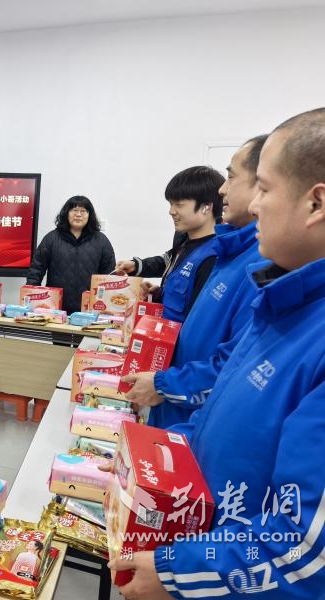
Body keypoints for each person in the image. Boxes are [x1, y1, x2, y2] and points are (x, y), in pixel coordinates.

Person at [111, 108, 325, 599]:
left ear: (315, 203)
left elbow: (307, 549)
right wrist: (145, 461)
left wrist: (176, 571)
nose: (242, 199)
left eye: (263, 188)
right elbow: (222, 418)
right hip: (207, 533)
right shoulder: (281, 302)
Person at [123, 136, 268, 428]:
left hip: (189, 403)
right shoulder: (223, 250)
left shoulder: (250, 262)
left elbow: (234, 364)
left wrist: (165, 385)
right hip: (173, 387)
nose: (223, 189)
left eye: (231, 177)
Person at [116, 166, 224, 322]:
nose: (171, 211)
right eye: (171, 204)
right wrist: (161, 294)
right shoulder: (184, 240)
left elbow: (198, 319)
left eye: (179, 205)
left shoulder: (213, 256)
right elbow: (169, 262)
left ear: (206, 207)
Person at [26, 196, 115, 315]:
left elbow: (109, 275)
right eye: (74, 210)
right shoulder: (51, 238)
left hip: (89, 309)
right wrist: (32, 300)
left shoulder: (101, 241)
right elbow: (36, 270)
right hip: (55, 309)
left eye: (83, 211)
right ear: (66, 213)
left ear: (90, 215)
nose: (78, 214)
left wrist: (107, 306)